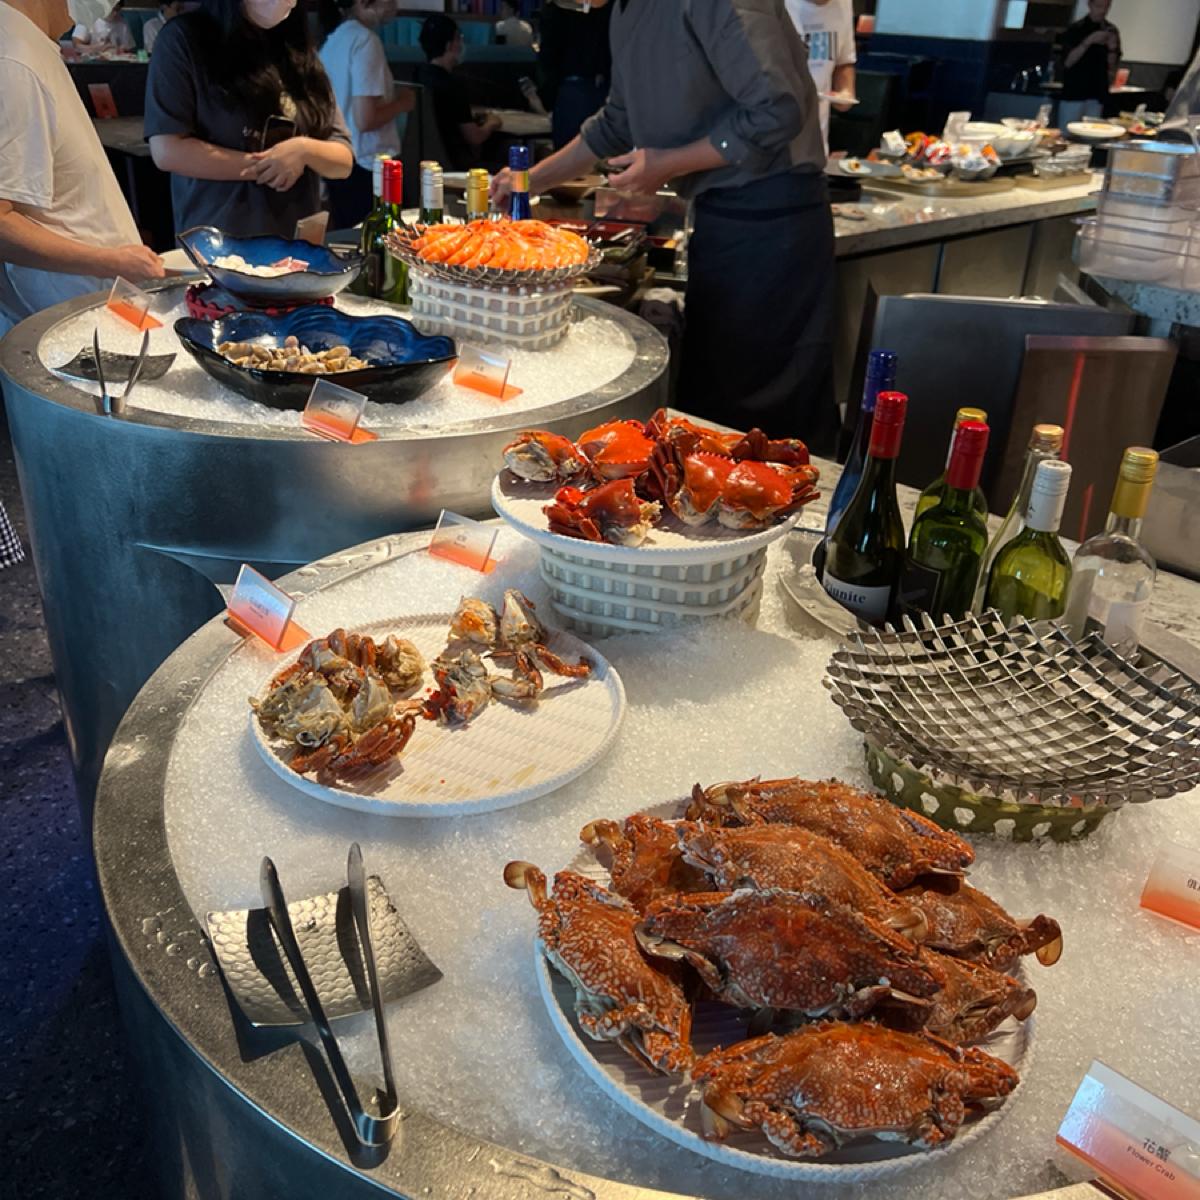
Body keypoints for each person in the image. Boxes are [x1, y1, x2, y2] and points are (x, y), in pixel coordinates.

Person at [493, 0, 836, 451]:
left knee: (764, 425)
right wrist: (528, 181)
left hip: (775, 227)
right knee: (713, 415)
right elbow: (616, 123)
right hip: (716, 219)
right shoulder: (625, 11)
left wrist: (666, 164)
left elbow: (777, 110)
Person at [0, 0, 162, 334]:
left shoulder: (28, 45)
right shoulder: (14, 59)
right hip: (71, 322)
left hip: (98, 306)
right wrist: (110, 260)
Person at [145, 0, 354, 237]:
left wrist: (304, 150)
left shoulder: (297, 48)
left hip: (298, 241)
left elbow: (343, 159)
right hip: (221, 239)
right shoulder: (185, 39)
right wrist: (268, 167)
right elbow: (167, 150)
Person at [319, 0, 414, 227]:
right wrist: (403, 102)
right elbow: (365, 119)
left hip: (339, 160)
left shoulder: (334, 40)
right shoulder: (366, 41)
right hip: (368, 165)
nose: (394, 5)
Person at [416, 15, 501, 172]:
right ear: (449, 45)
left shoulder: (418, 76)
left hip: (423, 165)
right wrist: (492, 123)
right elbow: (475, 137)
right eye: (459, 38)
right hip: (456, 166)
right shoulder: (452, 85)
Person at [538, 0, 611, 150]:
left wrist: (548, 96)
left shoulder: (556, 8)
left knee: (570, 152)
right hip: (604, 88)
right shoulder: (607, 7)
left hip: (570, 91)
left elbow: (548, 53)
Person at [785, 0, 855, 151]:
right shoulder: (773, 5)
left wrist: (845, 92)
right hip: (778, 139)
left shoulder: (844, 4)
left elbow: (843, 61)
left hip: (817, 141)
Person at [1060, 0, 1121, 125]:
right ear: (1090, 5)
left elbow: (1112, 67)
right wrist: (1089, 41)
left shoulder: (1111, 30)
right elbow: (1067, 62)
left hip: (1097, 93)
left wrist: (1112, 48)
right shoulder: (1076, 29)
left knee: (1093, 130)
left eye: (1106, 7)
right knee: (1068, 130)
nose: (1102, 11)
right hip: (1074, 92)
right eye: (1099, 6)